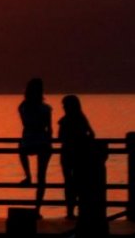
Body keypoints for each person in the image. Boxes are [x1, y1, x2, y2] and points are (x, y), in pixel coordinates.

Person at [17, 78, 53, 217]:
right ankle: (37, 209)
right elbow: (49, 128)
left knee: (21, 149)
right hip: (43, 141)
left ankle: (27, 175)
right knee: (42, 177)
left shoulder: (23, 107)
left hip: (29, 139)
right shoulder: (45, 108)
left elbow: (25, 122)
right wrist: (49, 139)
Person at [57, 95, 95, 219]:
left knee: (69, 182)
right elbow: (91, 134)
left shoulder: (64, 121)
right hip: (80, 153)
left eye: (64, 105)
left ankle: (70, 211)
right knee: (79, 181)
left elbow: (59, 137)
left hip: (68, 153)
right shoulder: (82, 119)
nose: (63, 107)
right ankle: (79, 209)